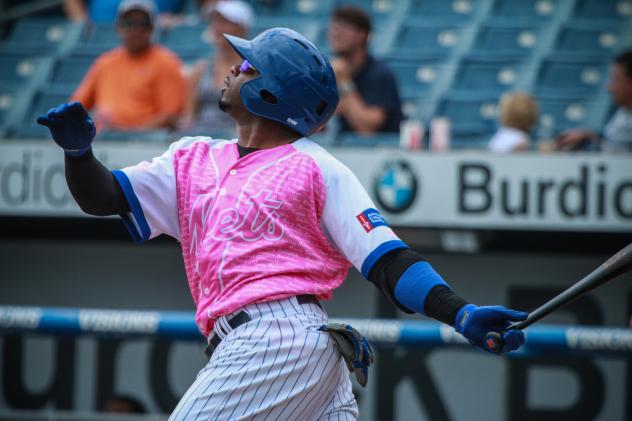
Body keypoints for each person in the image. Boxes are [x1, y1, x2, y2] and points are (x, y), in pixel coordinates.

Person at [37, 27, 527, 420]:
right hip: (273, 348)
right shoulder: (191, 157)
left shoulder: (315, 164)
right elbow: (103, 197)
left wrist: (459, 313)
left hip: (277, 338)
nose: (233, 67)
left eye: (248, 65)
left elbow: (387, 259)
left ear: (273, 92)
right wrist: (79, 155)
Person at [70, 0, 185, 132]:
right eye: (129, 23)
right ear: (118, 27)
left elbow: (170, 116)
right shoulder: (105, 62)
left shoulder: (166, 62)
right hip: (104, 140)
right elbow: (77, 105)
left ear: (152, 28)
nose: (136, 30)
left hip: (147, 143)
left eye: (143, 24)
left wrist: (127, 134)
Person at [176, 0, 254, 138]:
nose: (217, 27)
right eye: (215, 21)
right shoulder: (200, 69)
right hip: (200, 143)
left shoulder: (253, 71)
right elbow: (188, 118)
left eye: (225, 22)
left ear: (243, 27)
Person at [328, 6, 403, 135]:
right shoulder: (330, 70)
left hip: (379, 150)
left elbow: (367, 129)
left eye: (344, 27)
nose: (336, 33)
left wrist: (344, 82)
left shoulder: (380, 74)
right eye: (334, 27)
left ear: (363, 35)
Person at [555, 49, 632, 152]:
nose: (610, 88)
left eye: (616, 79)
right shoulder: (623, 113)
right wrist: (588, 137)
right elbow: (613, 147)